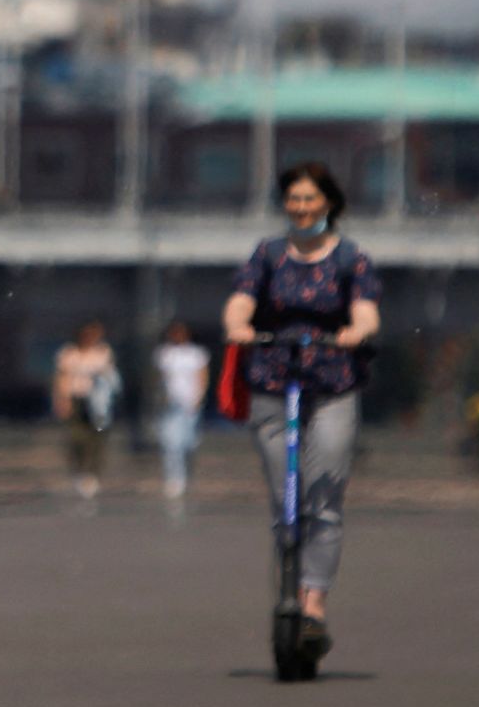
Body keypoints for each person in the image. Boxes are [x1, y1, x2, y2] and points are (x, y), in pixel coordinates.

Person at [222, 162, 381, 659]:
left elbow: (367, 310)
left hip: (332, 384)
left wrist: (356, 331)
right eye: (293, 199)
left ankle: (313, 604)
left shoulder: (352, 258)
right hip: (273, 381)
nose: (301, 207)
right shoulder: (267, 255)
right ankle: (287, 594)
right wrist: (239, 326)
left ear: (328, 203)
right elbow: (240, 301)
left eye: (310, 199)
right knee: (284, 503)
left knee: (323, 499)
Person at [53, 320, 121, 499]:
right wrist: (62, 400)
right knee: (77, 437)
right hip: (77, 399)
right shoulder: (69, 353)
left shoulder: (103, 353)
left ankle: (92, 473)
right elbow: (62, 377)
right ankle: (79, 469)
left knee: (96, 437)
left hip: (97, 402)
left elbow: (111, 377)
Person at [153, 321, 210, 499]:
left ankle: (187, 471)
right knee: (171, 443)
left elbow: (202, 376)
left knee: (188, 442)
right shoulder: (164, 353)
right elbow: (158, 377)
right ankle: (174, 478)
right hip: (170, 404)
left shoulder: (196, 354)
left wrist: (198, 398)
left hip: (190, 403)